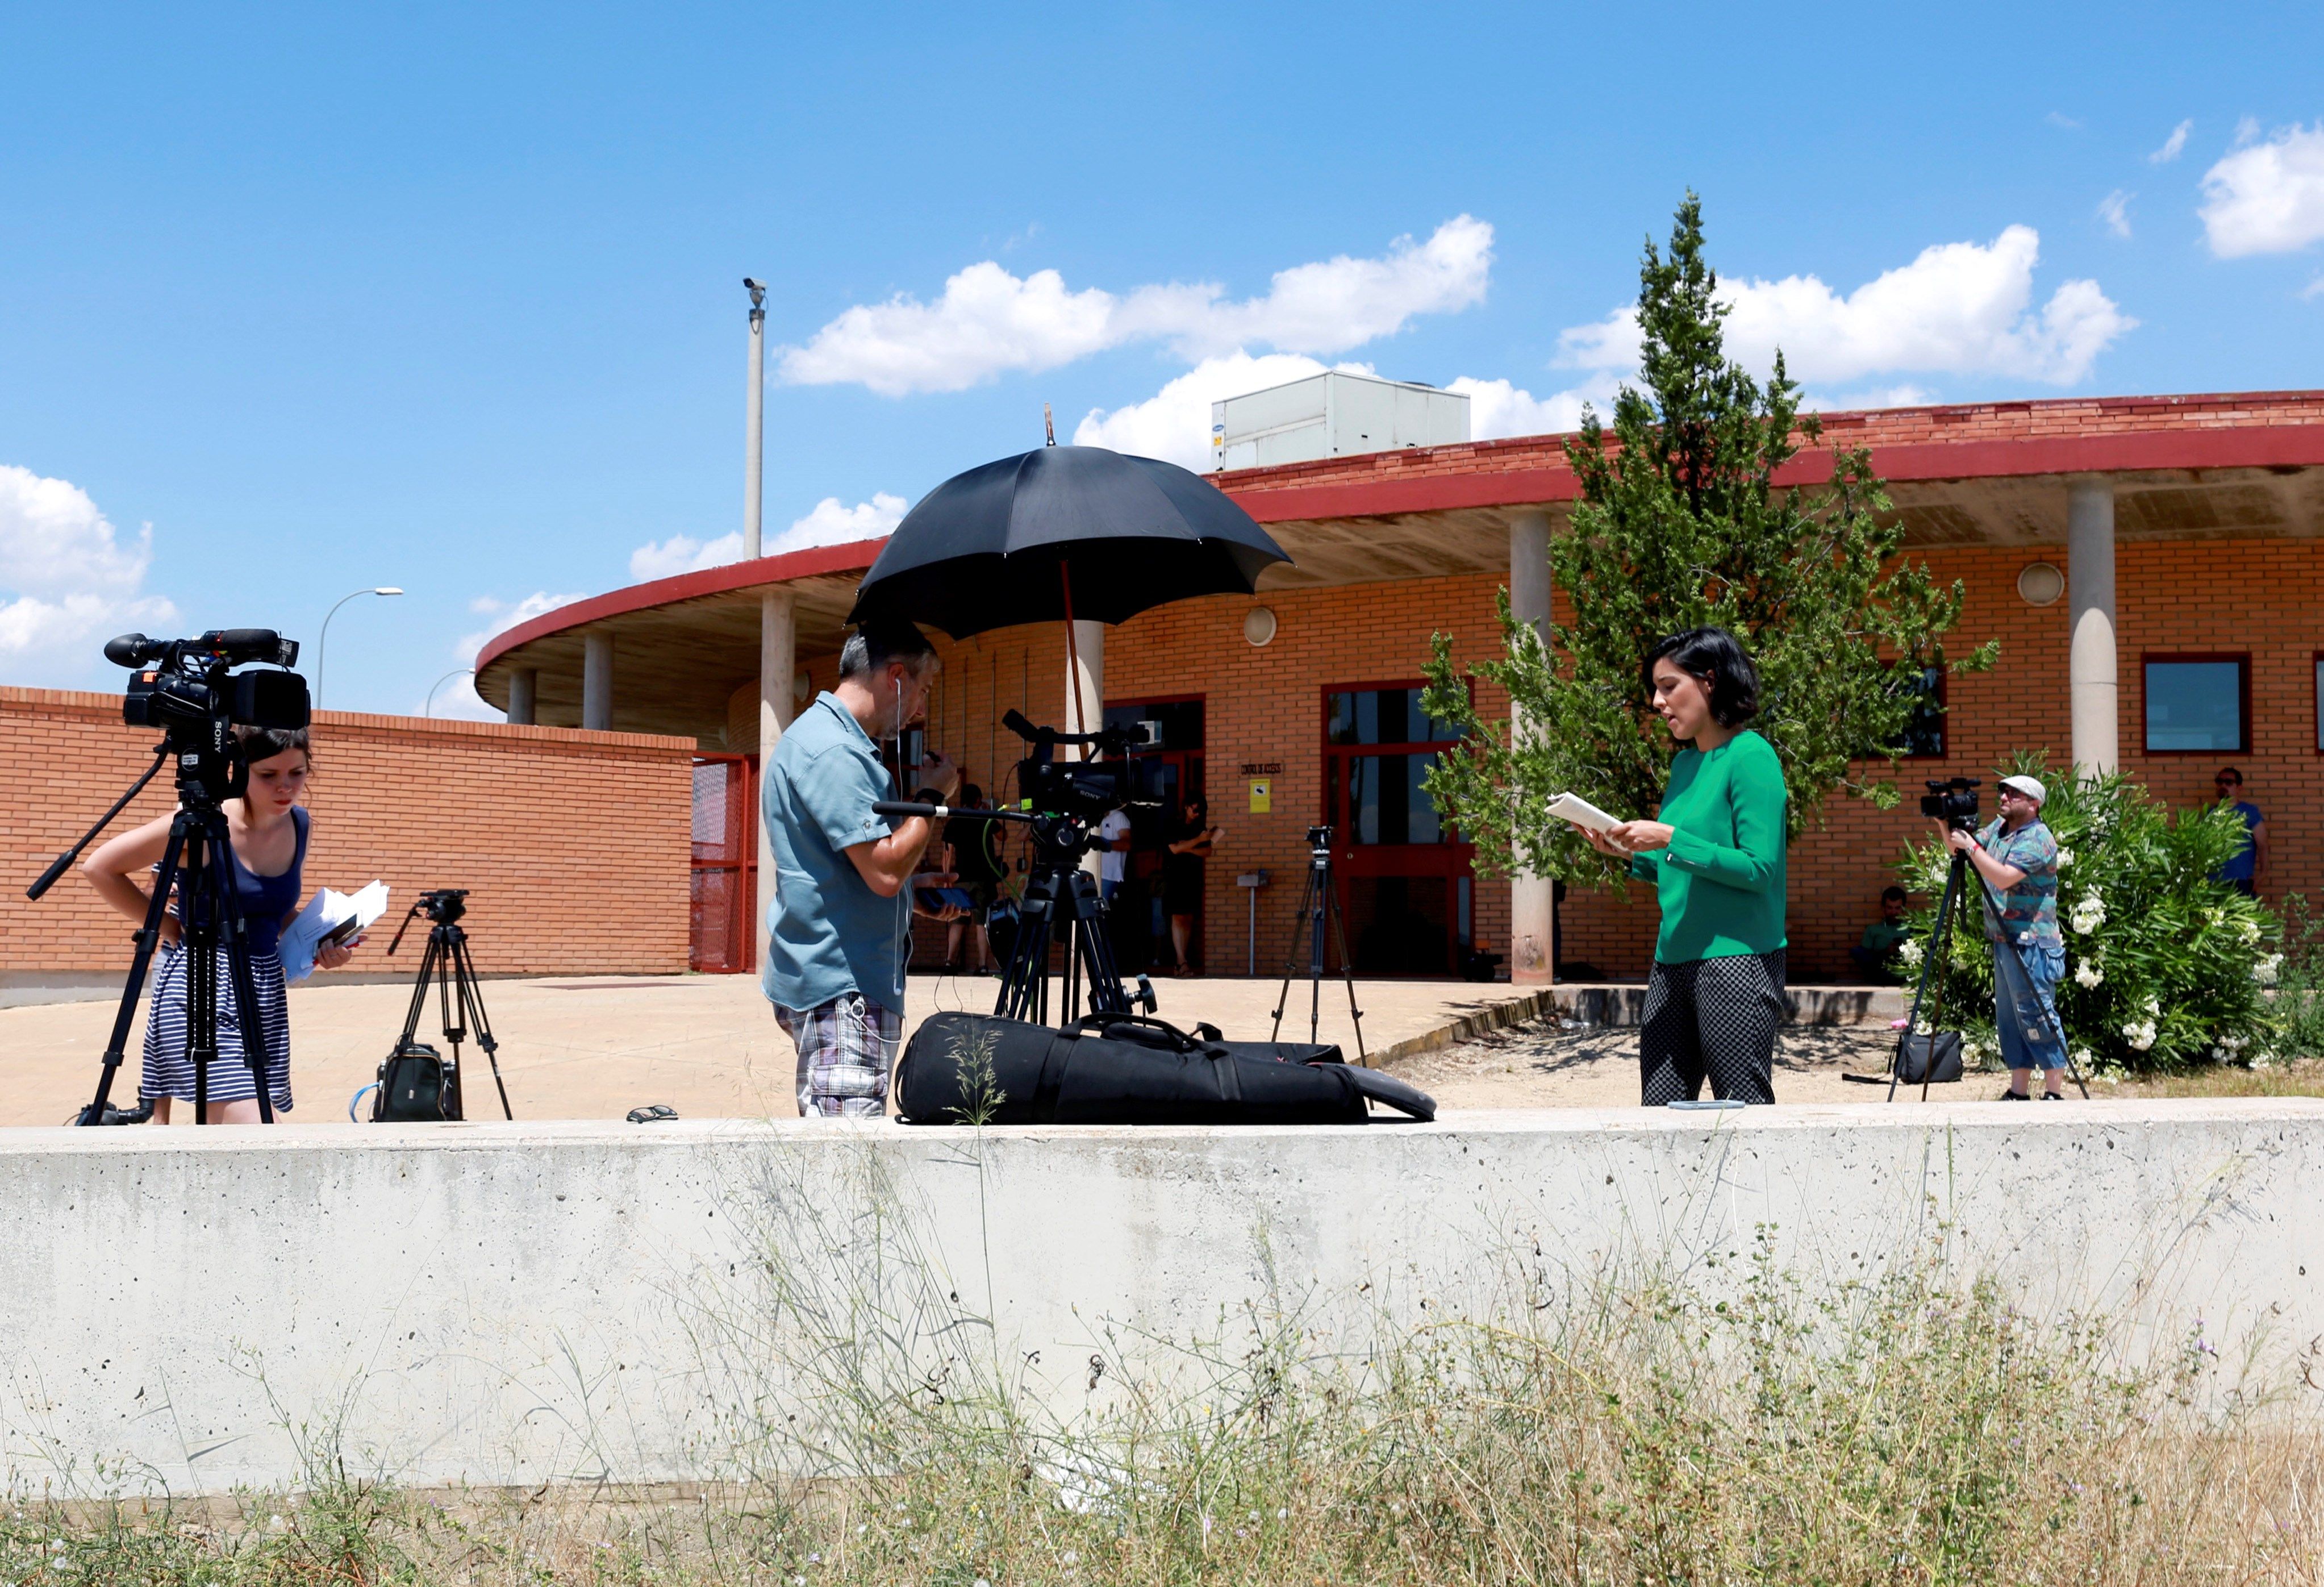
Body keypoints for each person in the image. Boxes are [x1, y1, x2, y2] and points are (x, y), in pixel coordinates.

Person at [81, 726, 360, 1123]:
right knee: (263, 1130)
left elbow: (273, 911)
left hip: (263, 990)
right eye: (269, 775)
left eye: (296, 774)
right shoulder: (203, 824)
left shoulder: (300, 824)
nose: (285, 787)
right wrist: (169, 928)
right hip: (201, 985)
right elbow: (100, 868)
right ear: (240, 770)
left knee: (242, 1139)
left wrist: (323, 945)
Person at [1570, 627, 1787, 1106]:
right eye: (1655, 689)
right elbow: (1680, 864)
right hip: (1671, 961)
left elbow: (1759, 869)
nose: (1656, 701)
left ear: (1709, 682)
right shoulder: (1684, 767)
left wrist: (1668, 837)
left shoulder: (1752, 756)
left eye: (1668, 686)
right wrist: (1629, 852)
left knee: (1741, 1109)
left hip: (1737, 961)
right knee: (1659, 1108)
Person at [761, 619, 964, 1117]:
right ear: (895, 675)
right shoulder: (835, 750)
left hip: (833, 981)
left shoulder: (821, 738)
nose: (922, 707)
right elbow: (883, 871)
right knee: (847, 1161)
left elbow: (841, 869)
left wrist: (912, 895)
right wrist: (933, 798)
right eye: (923, 689)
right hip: (843, 991)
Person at [1943, 773, 2066, 1101]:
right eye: (2002, 791)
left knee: (2037, 1013)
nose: (2004, 797)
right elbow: (1959, 851)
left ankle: (2054, 1092)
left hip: (2033, 942)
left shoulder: (2038, 838)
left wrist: (1970, 846)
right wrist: (1946, 821)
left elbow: (2003, 877)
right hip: (2004, 939)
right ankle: (2019, 1090)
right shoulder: (1997, 831)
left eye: (2014, 793)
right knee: (2010, 1019)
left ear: (2034, 804)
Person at [942, 783, 1005, 975]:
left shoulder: (954, 821)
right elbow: (1004, 836)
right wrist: (992, 815)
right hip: (984, 880)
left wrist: (946, 879)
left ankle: (949, 962)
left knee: (957, 921)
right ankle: (983, 965)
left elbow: (947, 853)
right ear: (979, 800)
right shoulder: (985, 819)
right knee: (981, 922)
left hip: (961, 879)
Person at [1162, 794, 1220, 977]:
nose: (1197, 814)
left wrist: (1188, 847)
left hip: (1193, 877)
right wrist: (1197, 841)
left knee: (1187, 918)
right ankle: (1181, 961)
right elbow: (1173, 849)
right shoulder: (1173, 824)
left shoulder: (1200, 827)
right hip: (1175, 876)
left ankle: (1181, 963)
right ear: (1186, 807)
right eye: (1195, 810)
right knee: (1177, 917)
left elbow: (1208, 851)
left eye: (1200, 811)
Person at [2212, 766, 2268, 898]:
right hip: (2214, 882)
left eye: (2229, 782)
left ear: (2239, 788)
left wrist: (2263, 874)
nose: (2223, 785)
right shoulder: (2209, 814)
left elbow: (2263, 845)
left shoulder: (2249, 812)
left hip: (2241, 882)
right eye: (2219, 782)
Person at [1851, 886, 1913, 981]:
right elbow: (1865, 957)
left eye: (1897, 908)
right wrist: (1886, 952)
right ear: (1883, 908)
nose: (1894, 912)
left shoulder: (1911, 928)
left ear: (1903, 909)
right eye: (1890, 908)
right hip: (1880, 968)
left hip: (1904, 968)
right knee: (1857, 951)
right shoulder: (1873, 930)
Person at [1095, 806, 1133, 904]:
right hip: (1091, 871)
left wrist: (1102, 844)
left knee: (1099, 910)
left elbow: (1127, 844)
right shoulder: (1091, 817)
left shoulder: (1118, 816)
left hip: (1109, 875)